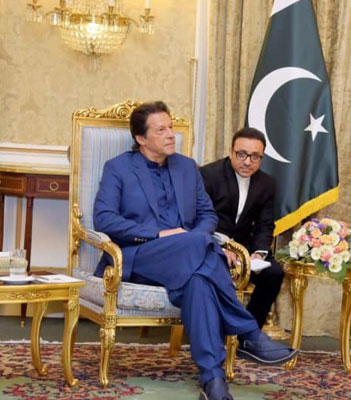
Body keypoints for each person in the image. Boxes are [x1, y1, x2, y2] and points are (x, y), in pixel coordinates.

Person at [92, 101, 297, 400]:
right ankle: (248, 333)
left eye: (171, 127)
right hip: (139, 256)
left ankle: (213, 382)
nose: (170, 134)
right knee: (202, 245)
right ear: (141, 138)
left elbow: (207, 215)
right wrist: (161, 234)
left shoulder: (187, 167)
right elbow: (104, 219)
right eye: (161, 130)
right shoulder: (118, 168)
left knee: (199, 282)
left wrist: (195, 238)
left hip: (189, 257)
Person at [199, 127, 283, 329]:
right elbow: (197, 219)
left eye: (255, 157)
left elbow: (265, 224)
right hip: (212, 244)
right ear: (231, 152)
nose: (247, 162)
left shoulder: (267, 183)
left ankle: (248, 332)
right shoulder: (208, 175)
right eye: (242, 154)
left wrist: (259, 253)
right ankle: (212, 330)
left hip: (245, 249)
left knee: (274, 273)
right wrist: (219, 247)